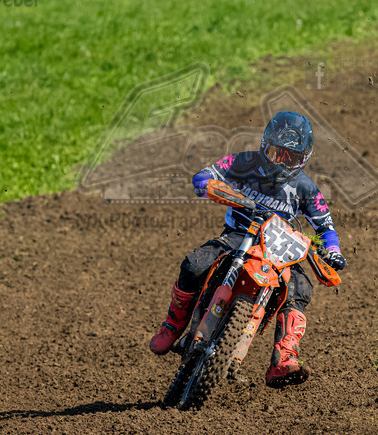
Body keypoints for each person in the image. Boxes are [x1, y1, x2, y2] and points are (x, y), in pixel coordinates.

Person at [149, 110, 347, 388]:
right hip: (237, 236)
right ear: (265, 148)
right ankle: (172, 326)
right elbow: (203, 177)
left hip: (278, 247)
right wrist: (218, 189)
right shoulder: (243, 162)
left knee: (300, 288)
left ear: (303, 158)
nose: (283, 163)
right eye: (278, 154)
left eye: (291, 158)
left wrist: (334, 251)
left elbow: (325, 226)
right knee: (194, 264)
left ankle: (284, 357)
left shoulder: (306, 187)